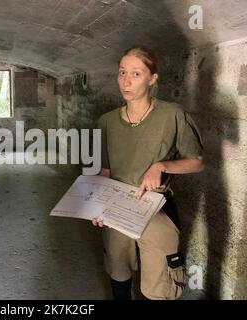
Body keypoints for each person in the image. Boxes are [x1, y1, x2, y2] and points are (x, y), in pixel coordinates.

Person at [92, 45, 205, 300]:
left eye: (136, 73)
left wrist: (162, 166)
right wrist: (97, 205)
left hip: (157, 206)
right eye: (122, 72)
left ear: (153, 79)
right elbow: (105, 172)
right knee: (119, 274)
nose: (126, 81)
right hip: (117, 207)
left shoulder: (172, 114)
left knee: (159, 287)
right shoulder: (106, 122)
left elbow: (197, 162)